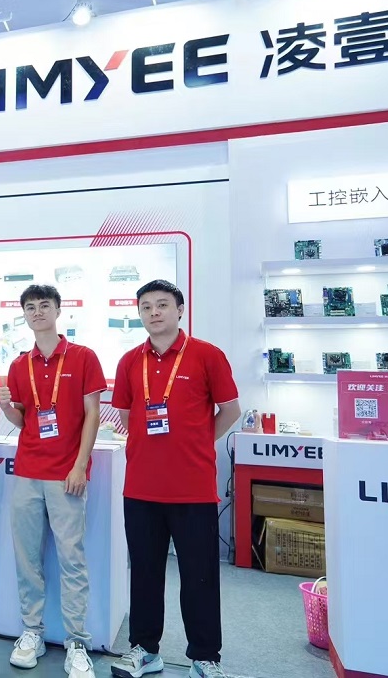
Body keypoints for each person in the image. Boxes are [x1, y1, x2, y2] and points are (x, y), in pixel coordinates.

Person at [109, 280, 240, 678]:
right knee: (145, 574)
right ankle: (145, 650)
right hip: (141, 488)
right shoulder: (130, 361)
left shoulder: (206, 355)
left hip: (193, 488)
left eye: (162, 304)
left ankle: (205, 656)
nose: (154, 312)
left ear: (179, 310)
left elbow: (230, 410)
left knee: (199, 576)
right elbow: (127, 416)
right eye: (146, 306)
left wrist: (198, 440)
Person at [0, 285, 105, 678]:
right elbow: (24, 418)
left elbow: (92, 414)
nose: (37, 312)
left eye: (45, 305)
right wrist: (6, 406)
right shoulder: (19, 364)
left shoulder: (83, 357)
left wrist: (80, 465)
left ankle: (77, 641)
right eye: (30, 307)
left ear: (58, 311)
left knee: (71, 559)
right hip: (27, 472)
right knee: (27, 558)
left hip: (66, 475)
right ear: (24, 315)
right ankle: (32, 632)